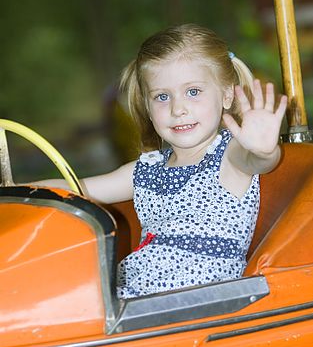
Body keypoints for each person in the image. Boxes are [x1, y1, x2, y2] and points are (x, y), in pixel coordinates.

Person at [35, 24, 287, 298]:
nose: (178, 109)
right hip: (139, 296)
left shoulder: (230, 155)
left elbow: (258, 162)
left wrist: (263, 150)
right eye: (162, 97)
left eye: (193, 92)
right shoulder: (148, 169)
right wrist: (15, 190)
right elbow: (77, 188)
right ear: (147, 106)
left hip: (197, 300)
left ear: (226, 95)